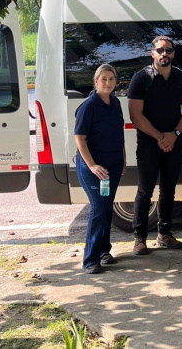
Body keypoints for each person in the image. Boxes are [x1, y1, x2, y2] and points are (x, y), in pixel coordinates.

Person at [127, 35, 182, 255]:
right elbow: (136, 117)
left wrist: (173, 135)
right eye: (160, 50)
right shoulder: (140, 79)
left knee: (168, 191)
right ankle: (139, 239)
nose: (165, 54)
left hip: (174, 143)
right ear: (152, 53)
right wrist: (160, 137)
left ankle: (164, 234)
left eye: (169, 50)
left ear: (174, 53)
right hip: (148, 144)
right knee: (145, 191)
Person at [74, 64, 126, 274]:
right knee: (98, 209)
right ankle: (91, 260)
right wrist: (92, 165)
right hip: (93, 169)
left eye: (111, 79)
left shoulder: (116, 103)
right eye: (103, 79)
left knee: (107, 208)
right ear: (96, 82)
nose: (107, 83)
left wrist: (122, 160)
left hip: (113, 166)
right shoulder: (88, 106)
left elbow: (119, 134)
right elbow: (80, 138)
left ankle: (105, 251)